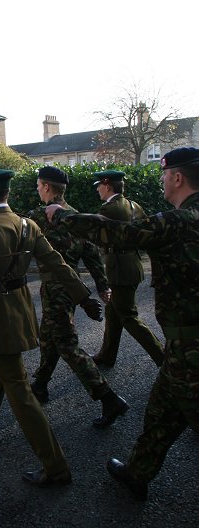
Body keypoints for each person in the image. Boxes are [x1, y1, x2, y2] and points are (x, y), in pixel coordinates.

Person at [46, 147, 199, 500]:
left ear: (177, 177)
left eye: (164, 174)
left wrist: (63, 217)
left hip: (192, 348)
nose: (161, 179)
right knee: (162, 411)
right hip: (181, 349)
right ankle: (136, 473)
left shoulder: (180, 221)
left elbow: (120, 236)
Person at [0, 168, 103, 486]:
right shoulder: (27, 224)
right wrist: (83, 297)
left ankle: (55, 466)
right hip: (22, 309)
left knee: (20, 392)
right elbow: (57, 262)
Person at [29, 166, 128, 427]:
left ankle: (109, 399)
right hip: (70, 289)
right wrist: (102, 285)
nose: (37, 190)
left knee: (66, 344)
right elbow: (92, 256)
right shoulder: (74, 216)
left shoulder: (41, 216)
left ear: (47, 187)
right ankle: (40, 383)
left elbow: (14, 228)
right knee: (50, 336)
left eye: (39, 185)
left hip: (56, 288)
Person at [91, 169, 164, 368]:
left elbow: (94, 233)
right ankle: (107, 354)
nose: (97, 190)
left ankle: (163, 358)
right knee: (113, 312)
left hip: (120, 270)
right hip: (131, 264)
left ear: (106, 185)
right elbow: (148, 233)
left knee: (129, 317)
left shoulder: (110, 209)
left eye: (99, 186)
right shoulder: (134, 206)